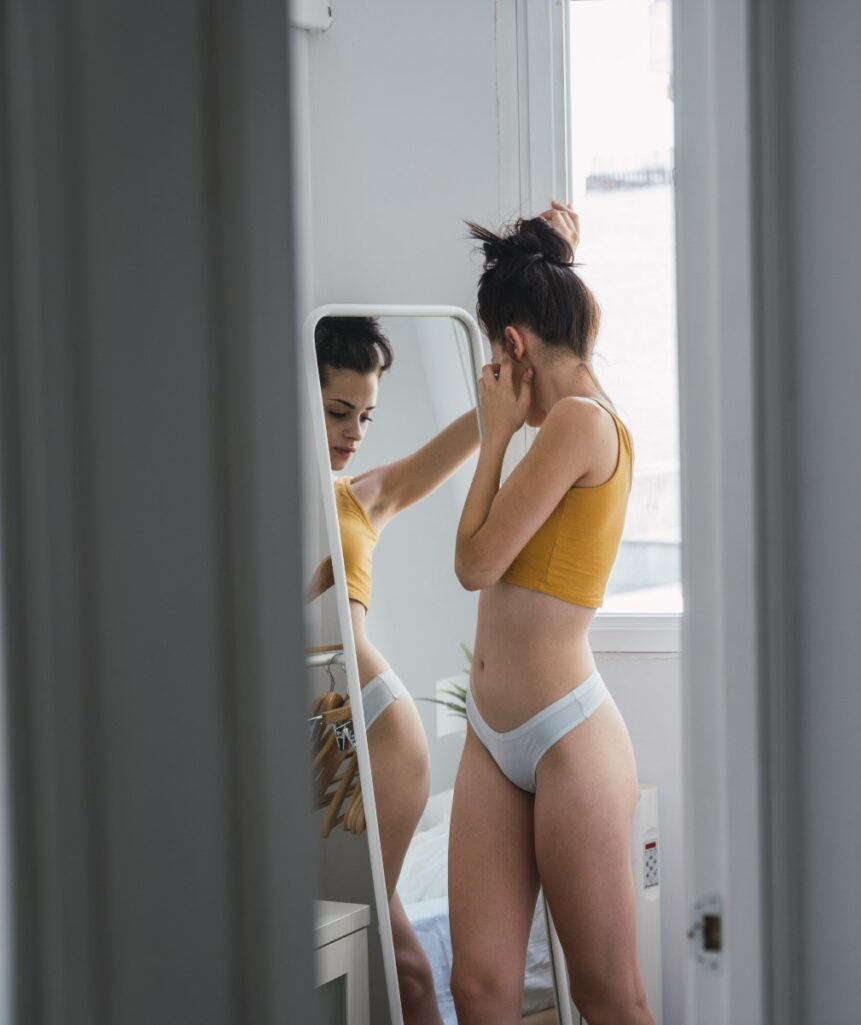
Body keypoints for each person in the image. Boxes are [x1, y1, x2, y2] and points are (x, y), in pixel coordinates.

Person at [450, 201, 654, 1025]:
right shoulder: (563, 422)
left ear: (514, 344)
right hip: (493, 735)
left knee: (609, 997)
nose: (499, 390)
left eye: (496, 366)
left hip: (569, 737)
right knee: (481, 990)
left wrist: (496, 434)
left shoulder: (577, 421)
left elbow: (475, 563)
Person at [313, 315, 480, 1025]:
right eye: (338, 412)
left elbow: (463, 436)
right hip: (331, 742)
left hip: (376, 733)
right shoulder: (253, 502)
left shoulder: (358, 497)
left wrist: (508, 368)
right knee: (403, 966)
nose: (355, 433)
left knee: (364, 940)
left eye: (367, 416)